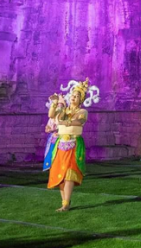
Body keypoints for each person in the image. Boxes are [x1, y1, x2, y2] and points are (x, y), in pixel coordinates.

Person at [46, 78, 99, 211]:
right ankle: (65, 202)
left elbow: (78, 122)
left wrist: (64, 122)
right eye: (72, 95)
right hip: (61, 144)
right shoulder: (63, 109)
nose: (73, 98)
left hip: (74, 144)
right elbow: (52, 115)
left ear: (81, 99)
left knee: (69, 174)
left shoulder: (82, 112)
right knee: (60, 175)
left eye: (77, 96)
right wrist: (55, 103)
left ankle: (65, 204)